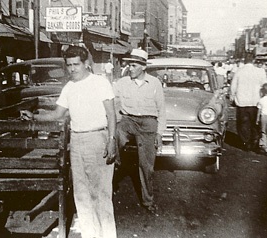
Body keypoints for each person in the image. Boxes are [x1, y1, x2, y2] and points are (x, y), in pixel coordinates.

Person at [21, 46, 117, 238]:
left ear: (86, 64)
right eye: (69, 65)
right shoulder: (69, 87)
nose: (72, 69)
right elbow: (57, 114)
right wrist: (34, 116)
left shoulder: (100, 82)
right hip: (77, 140)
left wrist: (112, 140)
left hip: (97, 138)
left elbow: (111, 114)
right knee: (81, 193)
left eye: (76, 65)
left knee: (101, 194)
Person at [113, 48, 166, 215]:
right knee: (114, 139)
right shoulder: (122, 83)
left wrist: (159, 133)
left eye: (134, 65)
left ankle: (148, 200)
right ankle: (115, 166)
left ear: (143, 67)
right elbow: (113, 103)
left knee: (146, 165)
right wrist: (115, 120)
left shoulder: (155, 83)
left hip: (149, 123)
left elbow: (162, 110)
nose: (130, 68)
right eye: (129, 65)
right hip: (128, 120)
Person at [230, 54, 267, 151]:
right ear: (253, 60)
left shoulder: (239, 71)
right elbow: (265, 85)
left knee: (243, 123)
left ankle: (245, 142)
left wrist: (232, 96)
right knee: (254, 122)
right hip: (255, 101)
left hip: (241, 101)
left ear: (245, 60)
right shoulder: (260, 71)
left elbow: (233, 86)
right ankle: (253, 140)